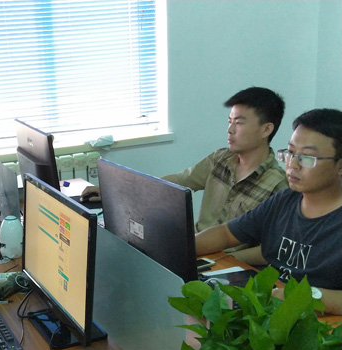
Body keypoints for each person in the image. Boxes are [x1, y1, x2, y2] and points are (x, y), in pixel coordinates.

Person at [82, 87, 288, 249]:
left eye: (239, 123)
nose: (230, 129)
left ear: (266, 129)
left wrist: (227, 259)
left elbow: (271, 249)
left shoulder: (278, 184)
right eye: (229, 121)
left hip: (228, 265)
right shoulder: (221, 159)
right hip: (196, 247)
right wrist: (115, 191)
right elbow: (179, 181)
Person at [195, 108, 342, 315]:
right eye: (290, 153)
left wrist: (303, 296)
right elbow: (226, 234)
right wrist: (183, 248)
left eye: (307, 157)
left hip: (317, 320)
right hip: (267, 307)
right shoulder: (284, 201)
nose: (292, 165)